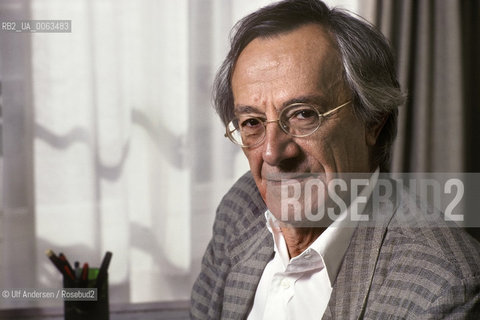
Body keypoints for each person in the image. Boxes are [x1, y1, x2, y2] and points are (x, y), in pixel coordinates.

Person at [190, 0, 480, 319]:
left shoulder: (444, 287)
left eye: (303, 115)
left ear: (372, 121)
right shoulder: (240, 206)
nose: (272, 153)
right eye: (252, 123)